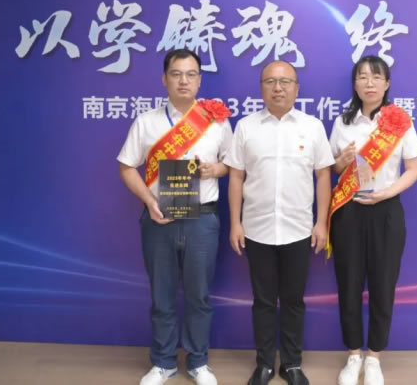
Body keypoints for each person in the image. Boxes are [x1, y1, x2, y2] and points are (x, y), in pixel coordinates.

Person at [117, 49, 232, 385]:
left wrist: (214, 170)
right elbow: (127, 167)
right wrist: (149, 200)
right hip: (159, 219)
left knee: (199, 296)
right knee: (162, 296)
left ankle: (198, 362)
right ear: (164, 78)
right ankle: (163, 362)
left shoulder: (216, 121)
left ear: (199, 79)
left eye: (191, 74)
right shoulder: (146, 122)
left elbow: (232, 164)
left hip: (202, 220)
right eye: (176, 74)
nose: (184, 80)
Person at [224, 60, 334, 385]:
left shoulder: (312, 127)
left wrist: (322, 223)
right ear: (261, 88)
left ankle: (292, 363)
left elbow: (323, 175)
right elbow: (235, 177)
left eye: (285, 82)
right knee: (262, 301)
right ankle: (263, 364)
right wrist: (235, 223)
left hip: (299, 229)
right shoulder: (246, 127)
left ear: (296, 88)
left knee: (294, 300)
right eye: (270, 81)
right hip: (256, 229)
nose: (278, 88)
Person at [328, 55, 417, 385]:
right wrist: (341, 161)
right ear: (354, 84)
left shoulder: (399, 121)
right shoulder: (343, 122)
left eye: (376, 77)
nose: (369, 83)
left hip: (386, 211)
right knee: (349, 284)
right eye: (363, 77)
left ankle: (374, 357)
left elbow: (414, 169)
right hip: (349, 211)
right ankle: (353, 354)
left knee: (383, 285)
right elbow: (333, 169)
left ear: (387, 84)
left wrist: (386, 193)